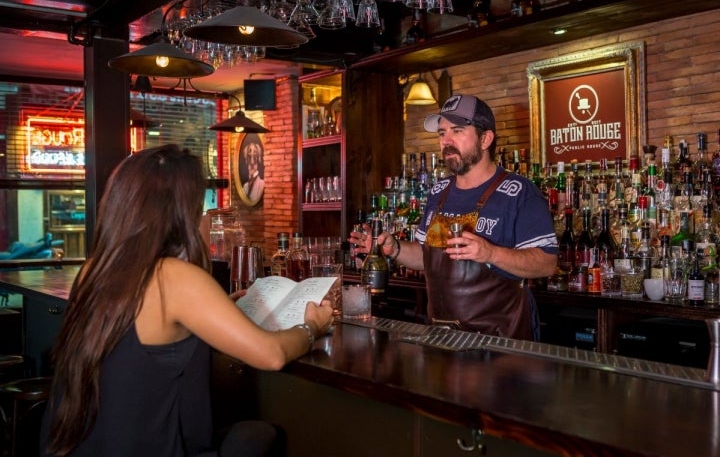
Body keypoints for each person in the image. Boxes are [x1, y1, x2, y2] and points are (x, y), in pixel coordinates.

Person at [40, 144, 333, 457]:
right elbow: (271, 355)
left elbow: (143, 342)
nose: (205, 216)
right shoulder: (175, 277)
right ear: (180, 212)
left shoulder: (93, 270)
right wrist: (311, 327)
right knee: (261, 434)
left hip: (75, 447)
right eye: (200, 206)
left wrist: (215, 311)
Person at [350, 95, 557, 340]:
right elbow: (427, 255)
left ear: (485, 139)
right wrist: (394, 249)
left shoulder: (519, 192)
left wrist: (490, 253)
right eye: (441, 133)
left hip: (501, 342)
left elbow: (547, 263)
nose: (446, 141)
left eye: (457, 131)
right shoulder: (439, 192)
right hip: (442, 336)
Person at [241, 134, 265, 203]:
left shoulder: (262, 184)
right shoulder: (245, 187)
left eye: (254, 152)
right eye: (250, 151)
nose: (252, 154)